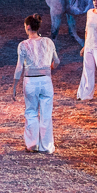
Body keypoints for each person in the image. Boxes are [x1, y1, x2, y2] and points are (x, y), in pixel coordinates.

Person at [13, 13, 60, 154]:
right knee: (46, 114)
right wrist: (49, 68)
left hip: (31, 81)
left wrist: (14, 85)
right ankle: (46, 146)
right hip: (45, 80)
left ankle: (33, 144)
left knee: (31, 112)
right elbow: (57, 61)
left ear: (27, 27)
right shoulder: (48, 42)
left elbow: (19, 67)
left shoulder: (23, 45)